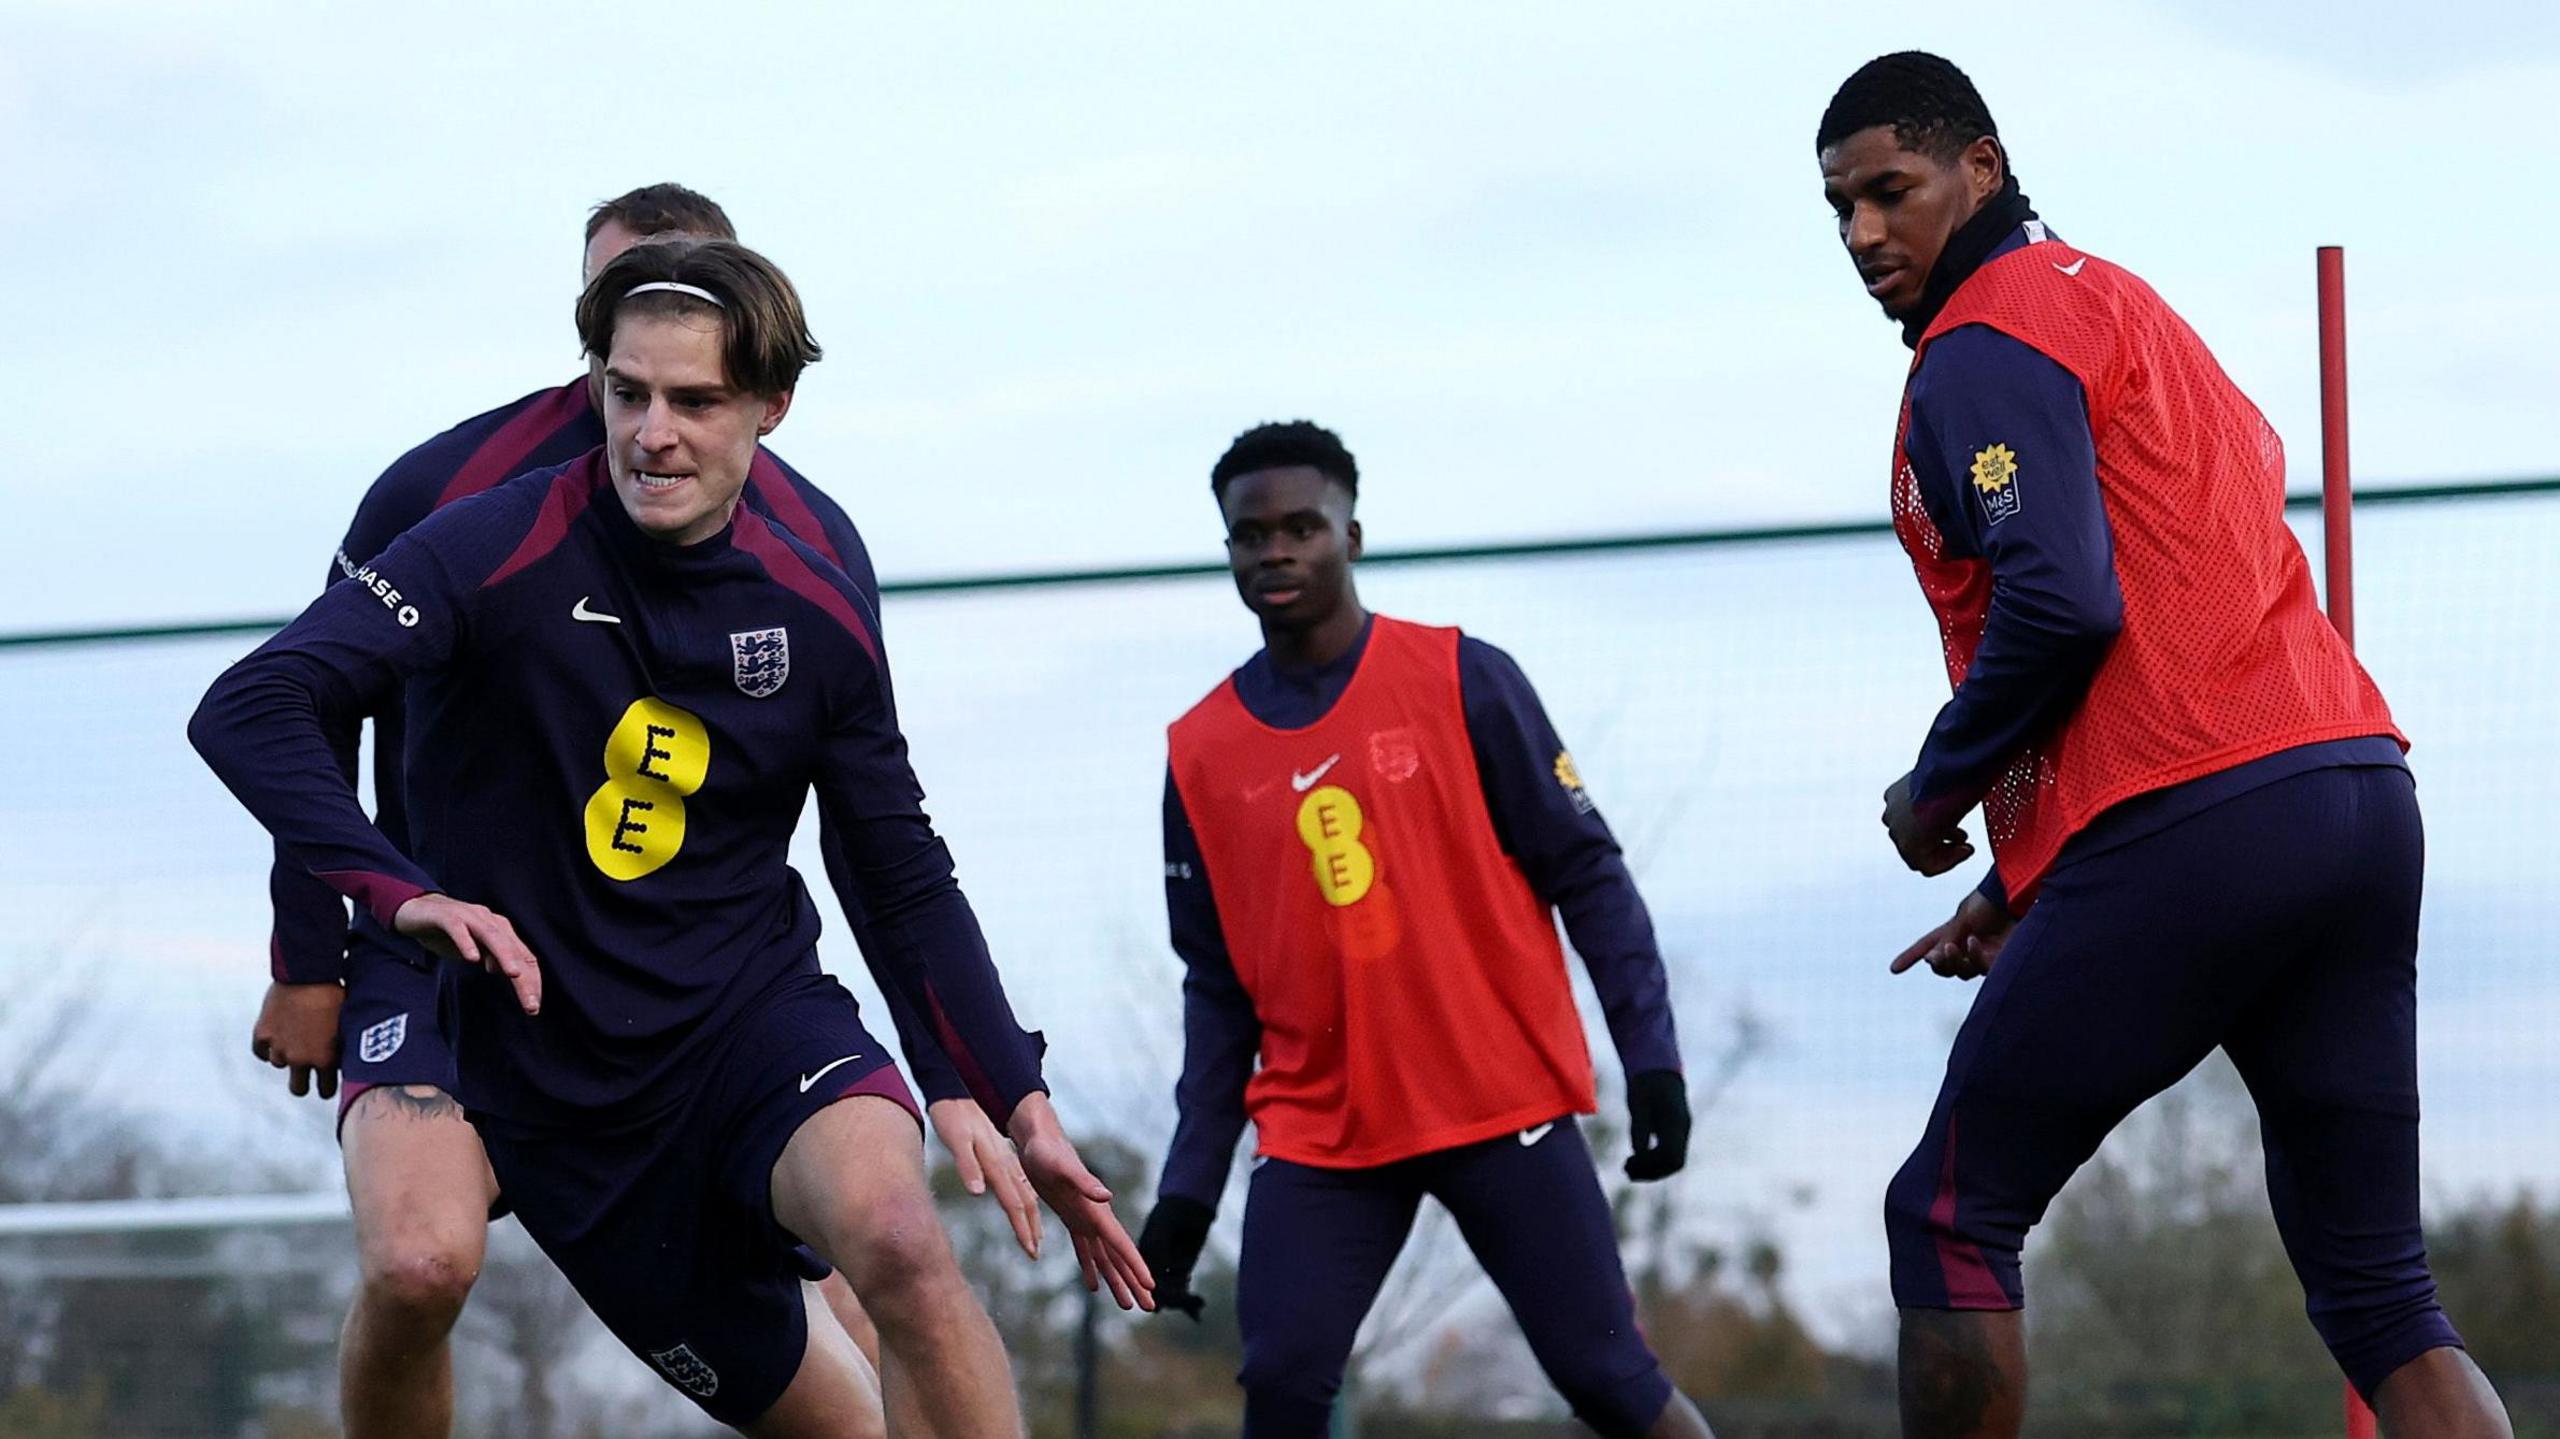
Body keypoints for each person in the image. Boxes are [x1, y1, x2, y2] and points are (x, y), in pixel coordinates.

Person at [194, 235, 1152, 1438]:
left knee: (902, 1240)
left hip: (748, 1013)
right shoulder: (488, 535)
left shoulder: (817, 595)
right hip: (554, 1072)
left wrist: (1011, 1090)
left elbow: (898, 868)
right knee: (445, 1274)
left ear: (770, 405)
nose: (654, 432)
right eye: (628, 393)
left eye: (695, 401)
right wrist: (386, 898)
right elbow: (256, 703)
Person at [1815, 51, 2512, 1439]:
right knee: (2381, 1294)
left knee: (1948, 1213)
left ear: (1981, 168)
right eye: (1837, 208)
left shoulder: (1983, 339)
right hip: (2356, 790)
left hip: (2201, 817)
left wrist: (1933, 787)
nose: (1863, 235)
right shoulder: (2129, 306)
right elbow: (2176, 593)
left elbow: (2067, 599)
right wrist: (2017, 884)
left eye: (1890, 192)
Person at [1135, 421, 1715, 1438]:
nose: (1276, 550)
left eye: (1302, 526)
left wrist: (1651, 1061)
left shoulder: (1464, 678)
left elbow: (1590, 874)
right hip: (1322, 1131)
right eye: (1250, 533)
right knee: (1280, 1382)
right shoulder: (1199, 751)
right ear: (1227, 548)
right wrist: (1189, 1186)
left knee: (1607, 1376)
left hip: (1500, 1101)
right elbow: (1215, 985)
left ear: (1351, 535)